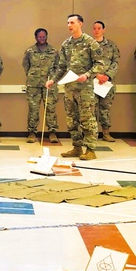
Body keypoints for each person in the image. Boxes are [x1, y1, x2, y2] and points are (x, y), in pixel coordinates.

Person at [46, 15, 107, 161]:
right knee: (72, 119)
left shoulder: (90, 42)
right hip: (70, 88)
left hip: (85, 88)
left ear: (80, 24)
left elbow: (100, 63)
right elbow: (61, 67)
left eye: (72, 23)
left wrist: (87, 75)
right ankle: (77, 147)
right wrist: (53, 80)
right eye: (67, 23)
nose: (69, 25)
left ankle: (91, 149)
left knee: (87, 119)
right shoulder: (66, 44)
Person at [22, 28, 58, 144]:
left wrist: (53, 78)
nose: (42, 38)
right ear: (36, 37)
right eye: (39, 36)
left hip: (49, 84)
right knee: (33, 109)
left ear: (46, 37)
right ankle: (32, 132)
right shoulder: (30, 51)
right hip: (34, 85)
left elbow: (59, 67)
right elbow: (26, 66)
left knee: (51, 109)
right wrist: (33, 76)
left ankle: (52, 132)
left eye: (44, 36)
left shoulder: (53, 51)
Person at [92, 21, 120, 142]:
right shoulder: (89, 45)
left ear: (104, 30)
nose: (97, 30)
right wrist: (96, 75)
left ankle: (106, 133)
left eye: (99, 28)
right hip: (92, 82)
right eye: (94, 28)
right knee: (91, 109)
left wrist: (107, 76)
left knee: (105, 109)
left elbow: (115, 62)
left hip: (107, 83)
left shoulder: (112, 46)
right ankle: (91, 134)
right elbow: (85, 64)